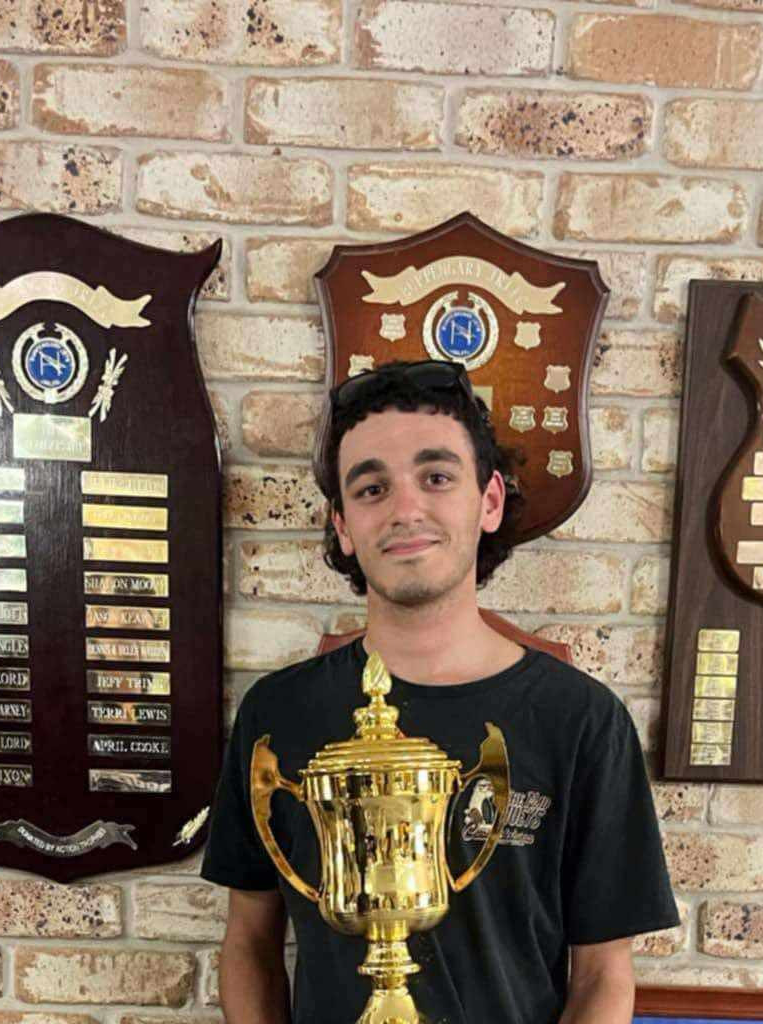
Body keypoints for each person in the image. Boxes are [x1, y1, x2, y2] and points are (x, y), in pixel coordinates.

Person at [202, 360, 677, 1024]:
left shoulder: (582, 721)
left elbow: (602, 975)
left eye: (436, 477)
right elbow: (249, 940)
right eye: (370, 489)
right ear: (342, 525)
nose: (405, 509)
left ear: (488, 501)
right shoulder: (277, 715)